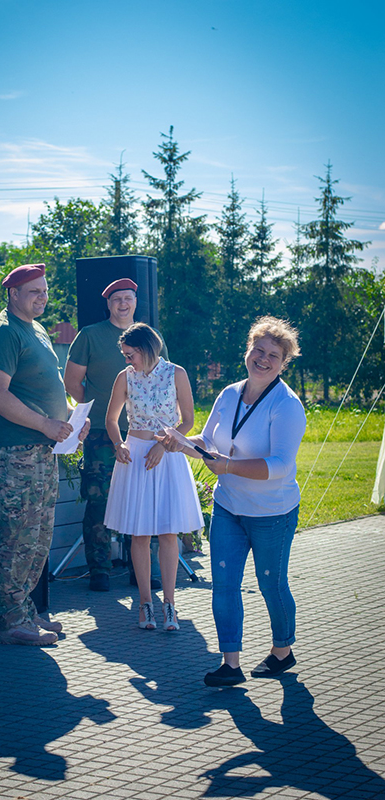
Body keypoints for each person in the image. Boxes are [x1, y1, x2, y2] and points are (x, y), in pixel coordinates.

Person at [161, 316, 305, 685]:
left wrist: (228, 466)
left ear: (284, 363)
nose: (263, 359)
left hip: (272, 512)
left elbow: (279, 466)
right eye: (259, 350)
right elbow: (209, 443)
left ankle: (282, 651)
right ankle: (231, 665)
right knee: (224, 585)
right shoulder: (228, 394)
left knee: (271, 584)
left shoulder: (287, 405)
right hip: (228, 507)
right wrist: (181, 442)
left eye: (273, 355)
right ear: (248, 350)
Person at [0, 264, 90, 648]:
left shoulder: (36, 329)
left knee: (37, 537)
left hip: (42, 452)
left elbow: (42, 391)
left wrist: (71, 422)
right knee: (14, 538)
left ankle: (25, 610)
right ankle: (10, 620)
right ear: (13, 294)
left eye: (44, 290)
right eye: (34, 292)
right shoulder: (3, 333)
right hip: (15, 455)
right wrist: (45, 424)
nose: (42, 297)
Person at [65, 278, 167, 592]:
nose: (123, 304)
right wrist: (94, 410)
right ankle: (100, 570)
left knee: (143, 500)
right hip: (100, 432)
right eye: (117, 299)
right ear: (108, 304)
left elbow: (164, 381)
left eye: (128, 298)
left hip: (144, 435)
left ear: (136, 302)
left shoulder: (150, 337)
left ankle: (141, 571)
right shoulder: (90, 335)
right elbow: (72, 382)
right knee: (99, 499)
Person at [104, 323, 203, 631]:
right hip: (135, 456)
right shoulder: (124, 377)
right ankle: (145, 603)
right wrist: (118, 444)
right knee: (140, 534)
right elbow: (111, 419)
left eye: (130, 354)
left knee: (168, 532)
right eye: (125, 355)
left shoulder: (176, 373)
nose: (127, 360)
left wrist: (164, 445)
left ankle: (169, 604)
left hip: (167, 456)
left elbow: (188, 421)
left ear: (146, 350)